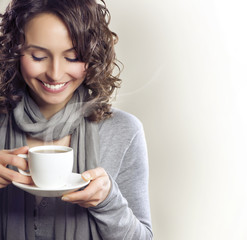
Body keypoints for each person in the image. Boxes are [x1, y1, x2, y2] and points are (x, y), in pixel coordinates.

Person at [0, 0, 153, 239]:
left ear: (93, 56)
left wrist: (108, 201)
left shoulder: (124, 131)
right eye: (39, 56)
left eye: (73, 57)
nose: (55, 73)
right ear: (14, 52)